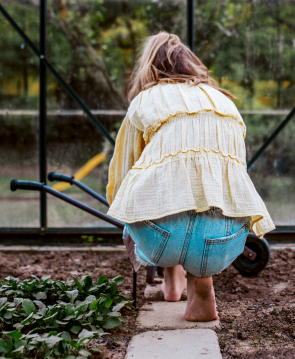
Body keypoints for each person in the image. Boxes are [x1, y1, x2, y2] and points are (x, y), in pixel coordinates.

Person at [106, 32, 275, 321]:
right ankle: (202, 284)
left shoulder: (146, 100)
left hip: (159, 238)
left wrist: (124, 214)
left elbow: (122, 176)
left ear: (149, 67)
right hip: (222, 242)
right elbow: (235, 178)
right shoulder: (224, 104)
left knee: (137, 195)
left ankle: (171, 275)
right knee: (201, 194)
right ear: (193, 66)